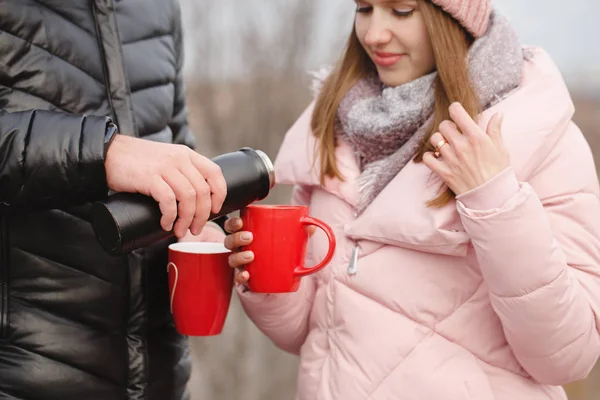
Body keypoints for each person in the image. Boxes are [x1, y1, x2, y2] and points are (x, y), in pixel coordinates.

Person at [223, 0, 600, 398]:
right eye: (364, 8)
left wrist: (496, 201)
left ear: (454, 20)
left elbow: (567, 355)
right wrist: (265, 277)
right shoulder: (335, 129)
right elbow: (307, 333)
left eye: (401, 11)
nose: (373, 34)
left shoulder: (538, 137)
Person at [0, 1, 227, 399]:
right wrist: (103, 152)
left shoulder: (158, 9)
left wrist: (202, 225)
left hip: (162, 381)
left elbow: (176, 144)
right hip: (25, 378)